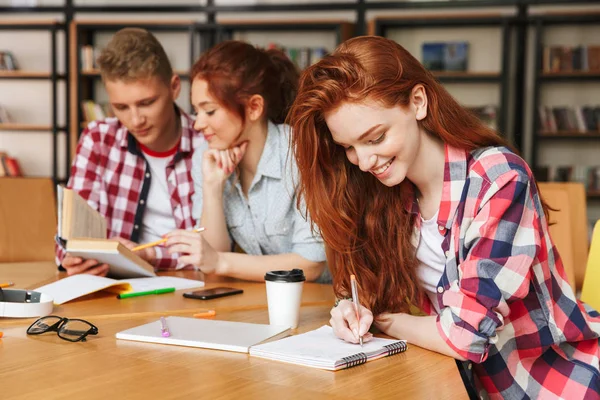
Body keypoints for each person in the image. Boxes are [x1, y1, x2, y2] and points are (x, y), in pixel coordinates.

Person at [288, 36, 600, 398]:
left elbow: (464, 337)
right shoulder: (389, 195)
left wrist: (386, 321)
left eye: (375, 138)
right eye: (348, 148)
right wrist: (354, 309)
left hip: (556, 386)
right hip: (460, 385)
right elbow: (378, 294)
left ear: (417, 102)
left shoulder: (498, 180)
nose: (364, 161)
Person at [165, 40, 328, 282]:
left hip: (325, 303)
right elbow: (210, 259)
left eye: (209, 111)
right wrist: (212, 187)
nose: (198, 124)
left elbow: (310, 264)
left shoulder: (301, 152)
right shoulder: (206, 157)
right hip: (263, 300)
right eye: (196, 111)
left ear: (254, 107)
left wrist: (220, 262)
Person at [56, 28, 203, 276]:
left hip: (187, 284)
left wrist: (149, 255)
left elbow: (211, 251)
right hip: (114, 287)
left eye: (147, 103)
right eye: (121, 107)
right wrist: (72, 258)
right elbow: (67, 239)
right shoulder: (98, 138)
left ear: (175, 87)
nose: (135, 120)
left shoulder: (206, 143)